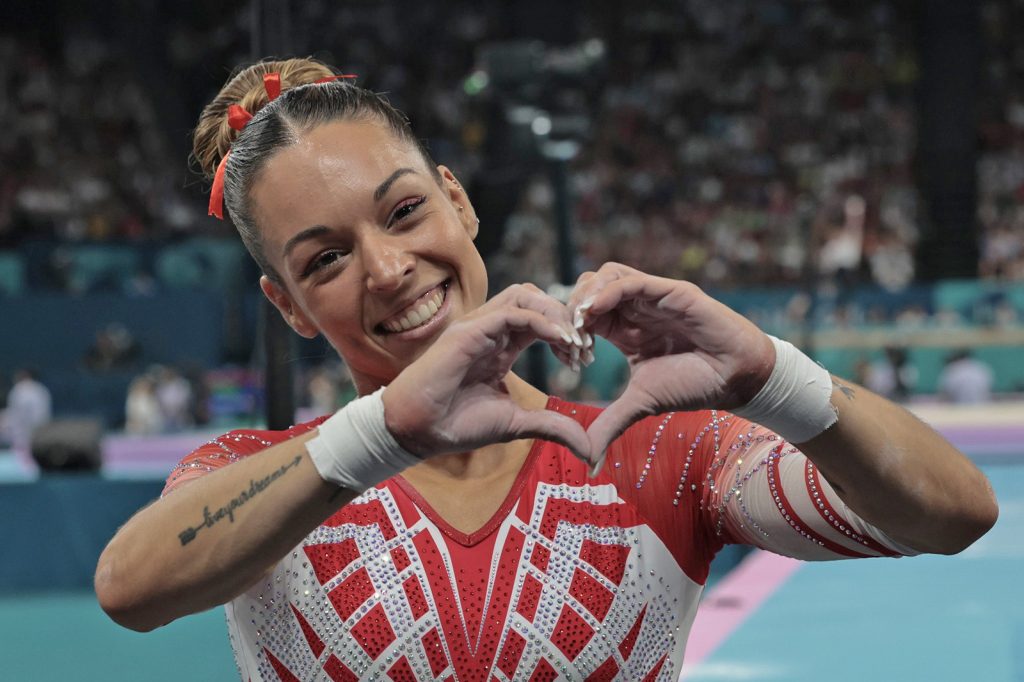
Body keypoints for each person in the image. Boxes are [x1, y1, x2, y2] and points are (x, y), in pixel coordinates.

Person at [95, 59, 998, 681]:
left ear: (457, 200)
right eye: (326, 260)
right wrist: (387, 431)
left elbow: (953, 514)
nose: (388, 268)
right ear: (288, 305)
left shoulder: (660, 457)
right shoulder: (260, 478)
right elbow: (130, 589)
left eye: (403, 212)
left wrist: (770, 375)